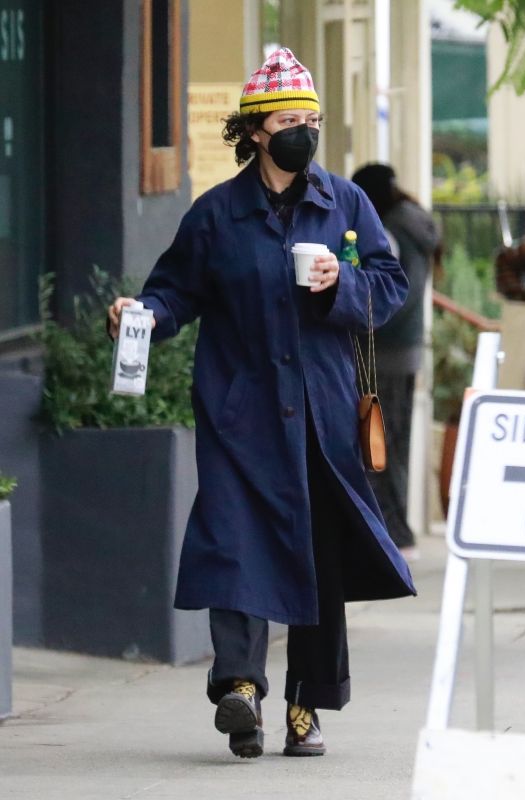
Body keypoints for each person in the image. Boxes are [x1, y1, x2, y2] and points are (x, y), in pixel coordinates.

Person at [108, 49, 416, 760]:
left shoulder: (345, 203)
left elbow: (389, 286)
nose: (301, 131)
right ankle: (239, 687)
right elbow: (175, 291)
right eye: (287, 120)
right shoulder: (216, 215)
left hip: (321, 414)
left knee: (319, 560)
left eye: (310, 119)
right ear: (253, 131)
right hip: (240, 411)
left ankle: (306, 704)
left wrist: (342, 282)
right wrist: (143, 316)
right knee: (234, 543)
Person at [351, 163, 441, 559]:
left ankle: (391, 532)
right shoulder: (415, 224)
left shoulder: (389, 231)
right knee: (393, 444)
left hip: (381, 352)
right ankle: (395, 529)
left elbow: (388, 293)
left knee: (377, 444)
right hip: (406, 352)